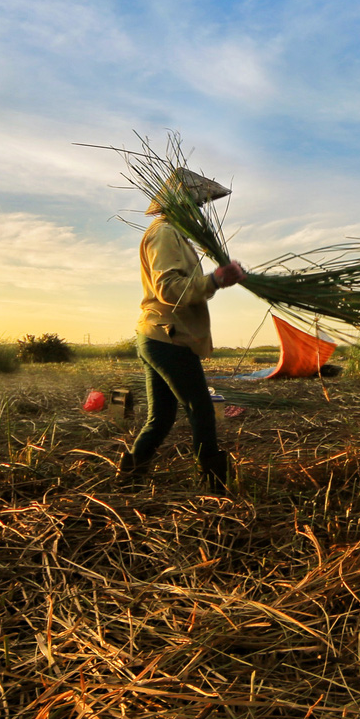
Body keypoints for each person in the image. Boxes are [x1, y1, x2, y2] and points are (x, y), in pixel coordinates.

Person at [120, 166, 246, 492]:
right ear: (179, 205)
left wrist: (219, 278)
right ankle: (216, 483)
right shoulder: (164, 233)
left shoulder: (175, 235)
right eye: (195, 205)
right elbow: (169, 288)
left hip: (157, 335)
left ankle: (130, 476)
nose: (200, 211)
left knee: (161, 417)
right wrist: (216, 280)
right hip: (167, 337)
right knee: (201, 409)